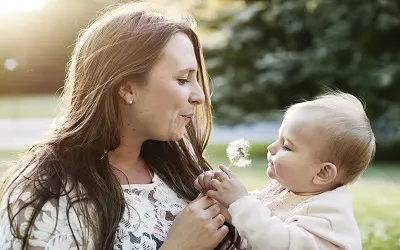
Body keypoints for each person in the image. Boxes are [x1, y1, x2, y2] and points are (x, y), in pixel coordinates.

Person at [0, 2, 240, 250]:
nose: (200, 96)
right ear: (127, 88)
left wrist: (243, 212)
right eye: (182, 79)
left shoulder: (181, 169)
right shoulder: (47, 191)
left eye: (196, 79)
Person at [195, 91, 376, 250]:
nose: (271, 147)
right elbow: (256, 213)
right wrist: (222, 198)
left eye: (287, 146)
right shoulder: (287, 190)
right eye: (277, 138)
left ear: (322, 173)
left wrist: (239, 201)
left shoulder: (327, 217)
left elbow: (278, 243)